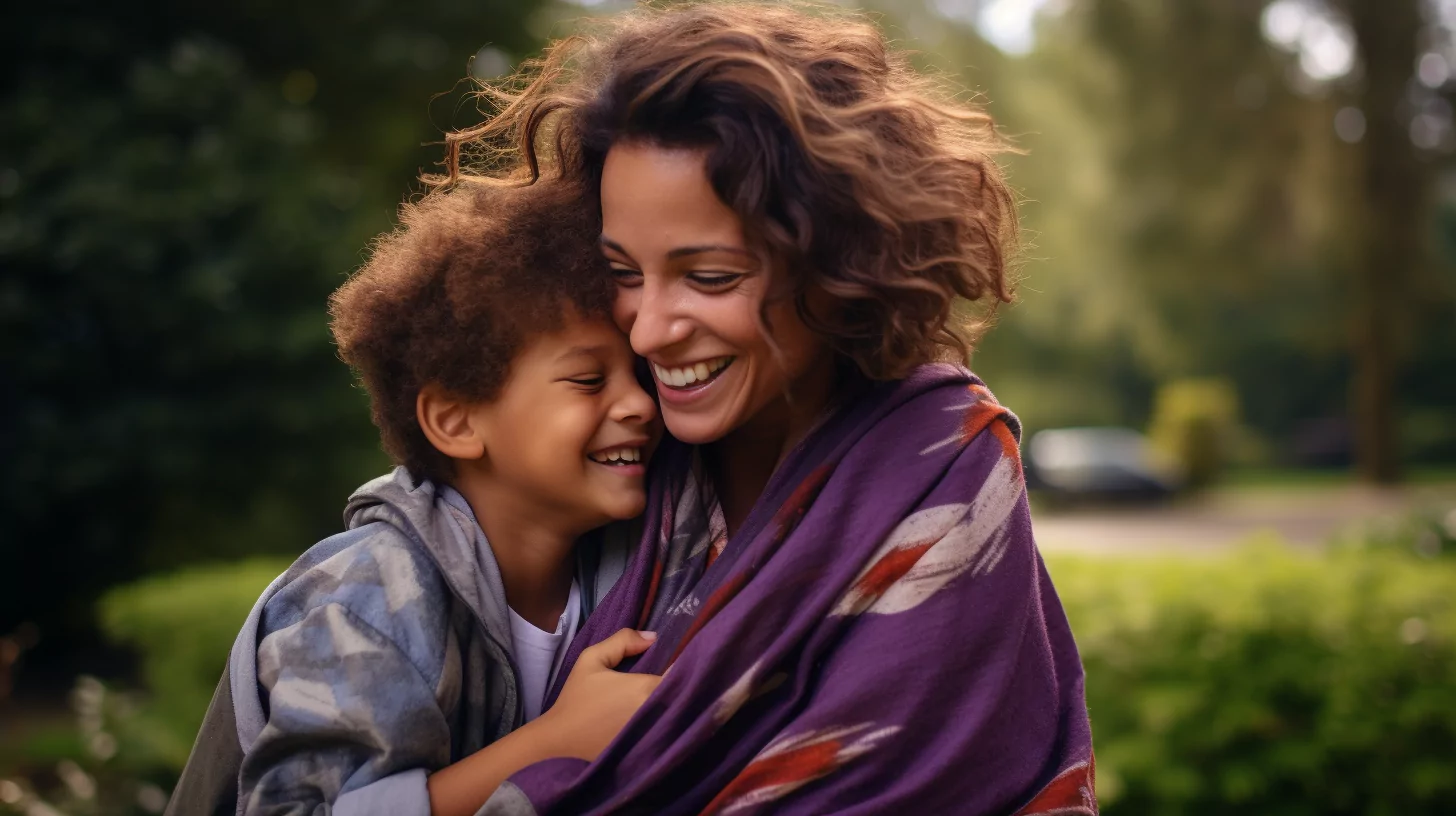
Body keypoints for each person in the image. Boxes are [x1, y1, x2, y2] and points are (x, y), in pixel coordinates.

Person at [454, 3, 1098, 814]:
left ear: (836, 260)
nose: (650, 330)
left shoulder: (940, 474)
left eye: (710, 277)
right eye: (623, 271)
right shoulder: (609, 456)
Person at [165, 180, 664, 816]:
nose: (641, 405)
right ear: (456, 422)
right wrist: (555, 742)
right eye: (589, 379)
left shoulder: (624, 572)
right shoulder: (368, 593)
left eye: (639, 374)